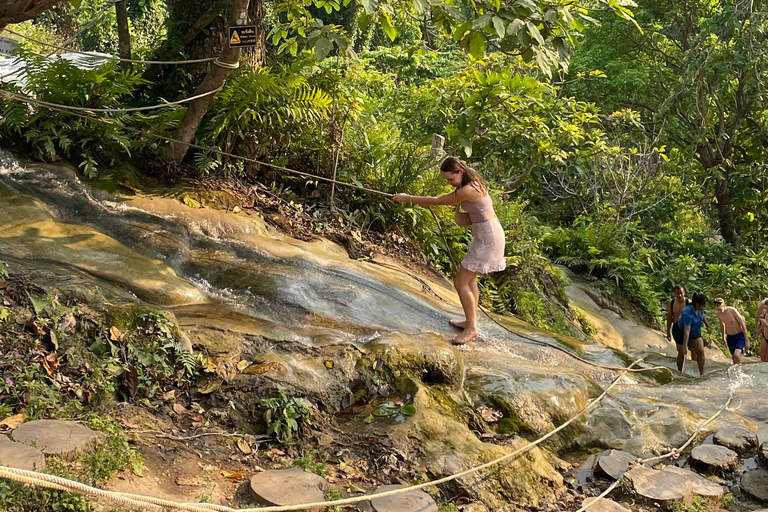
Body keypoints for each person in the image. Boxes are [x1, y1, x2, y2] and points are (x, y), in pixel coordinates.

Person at [393, 157, 506, 345]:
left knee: (460, 281)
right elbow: (441, 200)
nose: (449, 183)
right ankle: (471, 321)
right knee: (470, 281)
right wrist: (425, 202)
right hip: (487, 234)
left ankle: (471, 329)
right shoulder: (474, 180)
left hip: (488, 238)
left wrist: (408, 198)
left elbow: (439, 200)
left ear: (460, 172)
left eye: (450, 179)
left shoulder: (468, 190)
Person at [677, 292, 708, 375]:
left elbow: (702, 315)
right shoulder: (687, 312)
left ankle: (702, 374)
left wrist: (707, 325)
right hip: (681, 331)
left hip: (695, 331)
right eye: (704, 306)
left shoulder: (700, 310)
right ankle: (679, 372)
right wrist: (685, 346)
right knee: (681, 354)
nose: (705, 308)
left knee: (701, 352)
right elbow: (687, 331)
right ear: (697, 305)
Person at [714, 298, 749, 364]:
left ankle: (741, 371)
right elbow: (722, 325)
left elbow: (743, 324)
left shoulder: (732, 311)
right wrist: (724, 338)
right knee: (733, 357)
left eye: (720, 309)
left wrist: (746, 340)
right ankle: (736, 372)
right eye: (717, 310)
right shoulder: (718, 314)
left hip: (739, 335)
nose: (719, 311)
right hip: (730, 337)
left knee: (737, 354)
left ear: (724, 306)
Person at [756, 298, 768, 362]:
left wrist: (766, 324)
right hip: (765, 337)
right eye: (765, 308)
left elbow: (765, 325)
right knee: (762, 358)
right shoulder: (766, 313)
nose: (765, 310)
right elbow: (763, 326)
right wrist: (758, 334)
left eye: (767, 308)